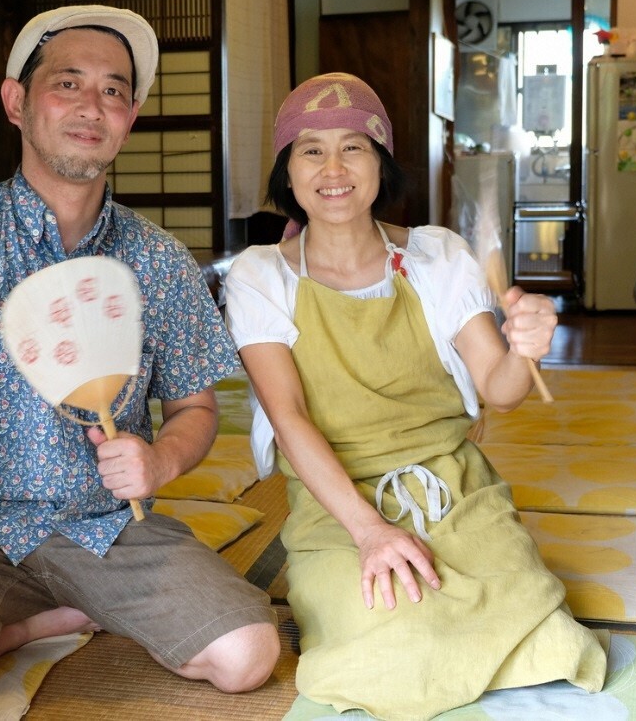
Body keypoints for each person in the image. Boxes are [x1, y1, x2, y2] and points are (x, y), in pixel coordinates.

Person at [0, 5, 278, 715]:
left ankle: (46, 614)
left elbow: (196, 408)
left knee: (248, 657)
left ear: (131, 115)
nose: (91, 106)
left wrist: (161, 461)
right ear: (16, 101)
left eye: (113, 91)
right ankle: (30, 626)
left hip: (102, 524)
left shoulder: (158, 259)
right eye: (68, 83)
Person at [224, 72, 607, 720]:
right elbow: (287, 419)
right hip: (335, 504)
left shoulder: (439, 257)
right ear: (286, 173)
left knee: (543, 632)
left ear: (382, 163)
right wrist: (369, 531)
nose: (333, 167)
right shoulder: (260, 275)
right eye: (310, 150)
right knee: (388, 641)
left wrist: (525, 346)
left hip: (453, 484)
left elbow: (499, 390)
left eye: (354, 147)